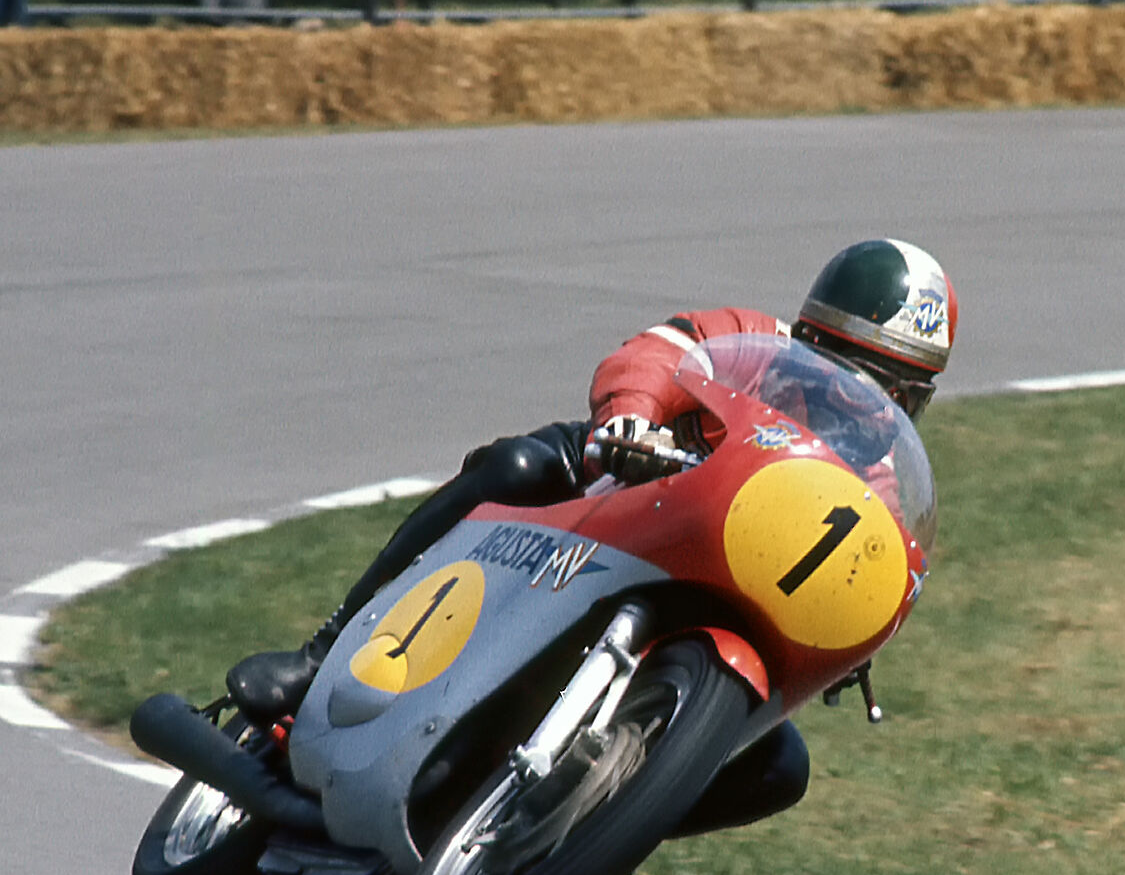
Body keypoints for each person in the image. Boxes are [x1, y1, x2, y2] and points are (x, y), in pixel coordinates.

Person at [223, 239, 958, 834]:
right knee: (517, 466)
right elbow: (655, 354)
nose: (877, 405)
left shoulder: (878, 482)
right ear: (811, 340)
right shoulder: (750, 343)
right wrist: (631, 417)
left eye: (903, 392)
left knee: (780, 769)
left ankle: (577, 832)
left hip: (707, 599)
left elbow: (867, 562)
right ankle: (322, 655)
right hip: (613, 504)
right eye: (862, 377)